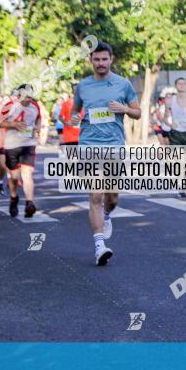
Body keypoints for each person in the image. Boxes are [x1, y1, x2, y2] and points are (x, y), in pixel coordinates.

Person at [71, 41, 141, 266]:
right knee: (96, 195)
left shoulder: (123, 84)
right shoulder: (82, 86)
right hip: (89, 146)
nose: (100, 63)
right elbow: (74, 111)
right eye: (96, 59)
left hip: (114, 146)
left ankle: (108, 215)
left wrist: (125, 110)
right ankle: (99, 245)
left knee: (111, 197)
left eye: (104, 59)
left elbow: (138, 113)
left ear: (111, 60)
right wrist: (74, 118)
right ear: (90, 60)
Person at [0, 84, 42, 218]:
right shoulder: (9, 105)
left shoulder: (35, 106)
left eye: (31, 96)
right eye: (26, 96)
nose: (29, 99)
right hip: (12, 145)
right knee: (15, 177)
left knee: (27, 173)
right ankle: (13, 198)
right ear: (19, 95)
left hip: (29, 143)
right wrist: (13, 124)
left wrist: (38, 128)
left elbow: (39, 118)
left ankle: (29, 203)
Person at [164, 77, 186, 198]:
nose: (182, 85)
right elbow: (165, 117)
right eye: (180, 83)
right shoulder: (169, 100)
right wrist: (170, 123)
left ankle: (183, 183)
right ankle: (181, 185)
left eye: (184, 83)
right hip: (176, 133)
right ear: (176, 86)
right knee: (179, 162)